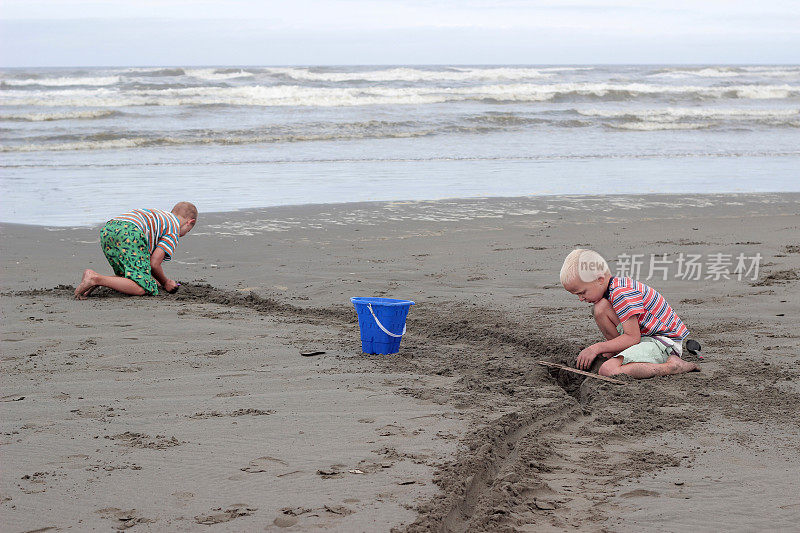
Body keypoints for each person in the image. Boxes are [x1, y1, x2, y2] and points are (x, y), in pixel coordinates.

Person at [559, 249, 699, 378]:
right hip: (645, 336)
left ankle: (672, 366)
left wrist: (597, 347)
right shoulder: (612, 288)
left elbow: (633, 338)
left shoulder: (621, 293)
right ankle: (621, 353)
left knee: (608, 370)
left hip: (664, 343)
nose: (581, 298)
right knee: (600, 308)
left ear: (600, 279)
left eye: (582, 292)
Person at [74, 202, 197, 299]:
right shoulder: (173, 228)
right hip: (130, 232)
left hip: (110, 229)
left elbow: (147, 267)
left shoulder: (161, 217)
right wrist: (166, 282)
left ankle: (95, 281)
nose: (184, 234)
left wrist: (156, 280)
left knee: (130, 275)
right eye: (188, 231)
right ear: (190, 222)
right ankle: (95, 278)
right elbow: (154, 264)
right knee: (143, 288)